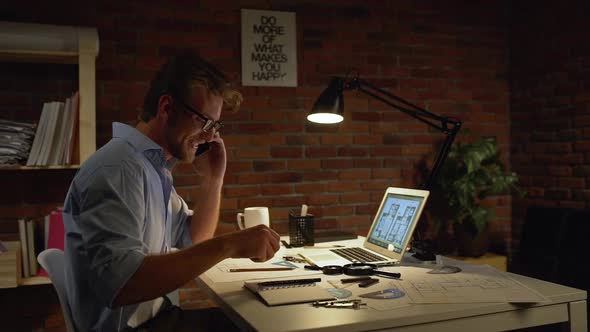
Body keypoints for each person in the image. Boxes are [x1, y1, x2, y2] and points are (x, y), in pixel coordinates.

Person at [62, 54, 280, 332]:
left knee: (257, 320)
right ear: (167, 108)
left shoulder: (151, 168)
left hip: (159, 320)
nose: (210, 137)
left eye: (215, 127)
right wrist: (230, 245)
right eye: (205, 122)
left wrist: (213, 180)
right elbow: (121, 284)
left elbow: (194, 239)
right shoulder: (119, 168)